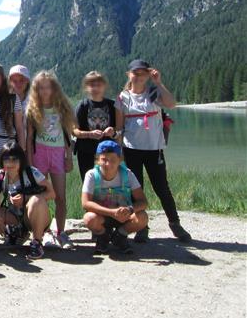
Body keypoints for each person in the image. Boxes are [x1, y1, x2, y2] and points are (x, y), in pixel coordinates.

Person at [115, 59, 191, 242]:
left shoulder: (154, 92)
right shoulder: (122, 97)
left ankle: (175, 224)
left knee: (162, 187)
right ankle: (142, 227)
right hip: (131, 148)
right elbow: (119, 127)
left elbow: (171, 104)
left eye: (143, 72)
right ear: (129, 75)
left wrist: (158, 82)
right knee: (136, 189)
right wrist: (119, 151)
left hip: (154, 149)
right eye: (136, 72)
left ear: (148, 74)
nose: (139, 75)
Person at [26, 70, 76, 249]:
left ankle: (60, 232)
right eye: (41, 88)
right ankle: (44, 232)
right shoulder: (33, 109)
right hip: (39, 153)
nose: (45, 91)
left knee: (60, 196)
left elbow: (69, 135)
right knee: (41, 195)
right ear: (36, 90)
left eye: (48, 87)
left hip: (58, 153)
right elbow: (29, 138)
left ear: (54, 88)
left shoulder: (62, 107)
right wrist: (30, 162)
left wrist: (69, 157)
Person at [82, 140, 148, 254]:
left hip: (124, 216)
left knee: (142, 217)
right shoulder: (91, 175)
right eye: (104, 160)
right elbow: (86, 203)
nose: (108, 164)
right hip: (102, 217)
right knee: (89, 218)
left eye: (112, 160)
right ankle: (103, 237)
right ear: (97, 159)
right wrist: (111, 212)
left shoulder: (128, 174)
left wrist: (129, 209)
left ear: (120, 160)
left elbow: (143, 202)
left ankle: (120, 236)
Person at [0, 141, 54, 260]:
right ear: (1, 160)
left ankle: (36, 242)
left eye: (14, 159)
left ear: (21, 160)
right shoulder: (0, 176)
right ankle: (16, 233)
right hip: (15, 216)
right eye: (6, 159)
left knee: (36, 200)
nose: (10, 163)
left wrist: (26, 198)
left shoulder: (32, 173)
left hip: (35, 214)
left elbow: (52, 193)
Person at [73, 71, 119, 181]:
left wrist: (113, 131)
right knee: (88, 183)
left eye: (99, 85)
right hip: (86, 152)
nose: (96, 88)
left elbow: (119, 128)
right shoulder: (82, 106)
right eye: (92, 85)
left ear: (104, 86)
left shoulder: (112, 105)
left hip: (108, 151)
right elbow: (74, 131)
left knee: (108, 182)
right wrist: (89, 134)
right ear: (86, 87)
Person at [9, 64, 31, 135]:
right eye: (14, 81)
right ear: (10, 82)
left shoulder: (34, 102)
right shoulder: (5, 101)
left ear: (27, 81)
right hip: (9, 144)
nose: (18, 83)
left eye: (21, 80)